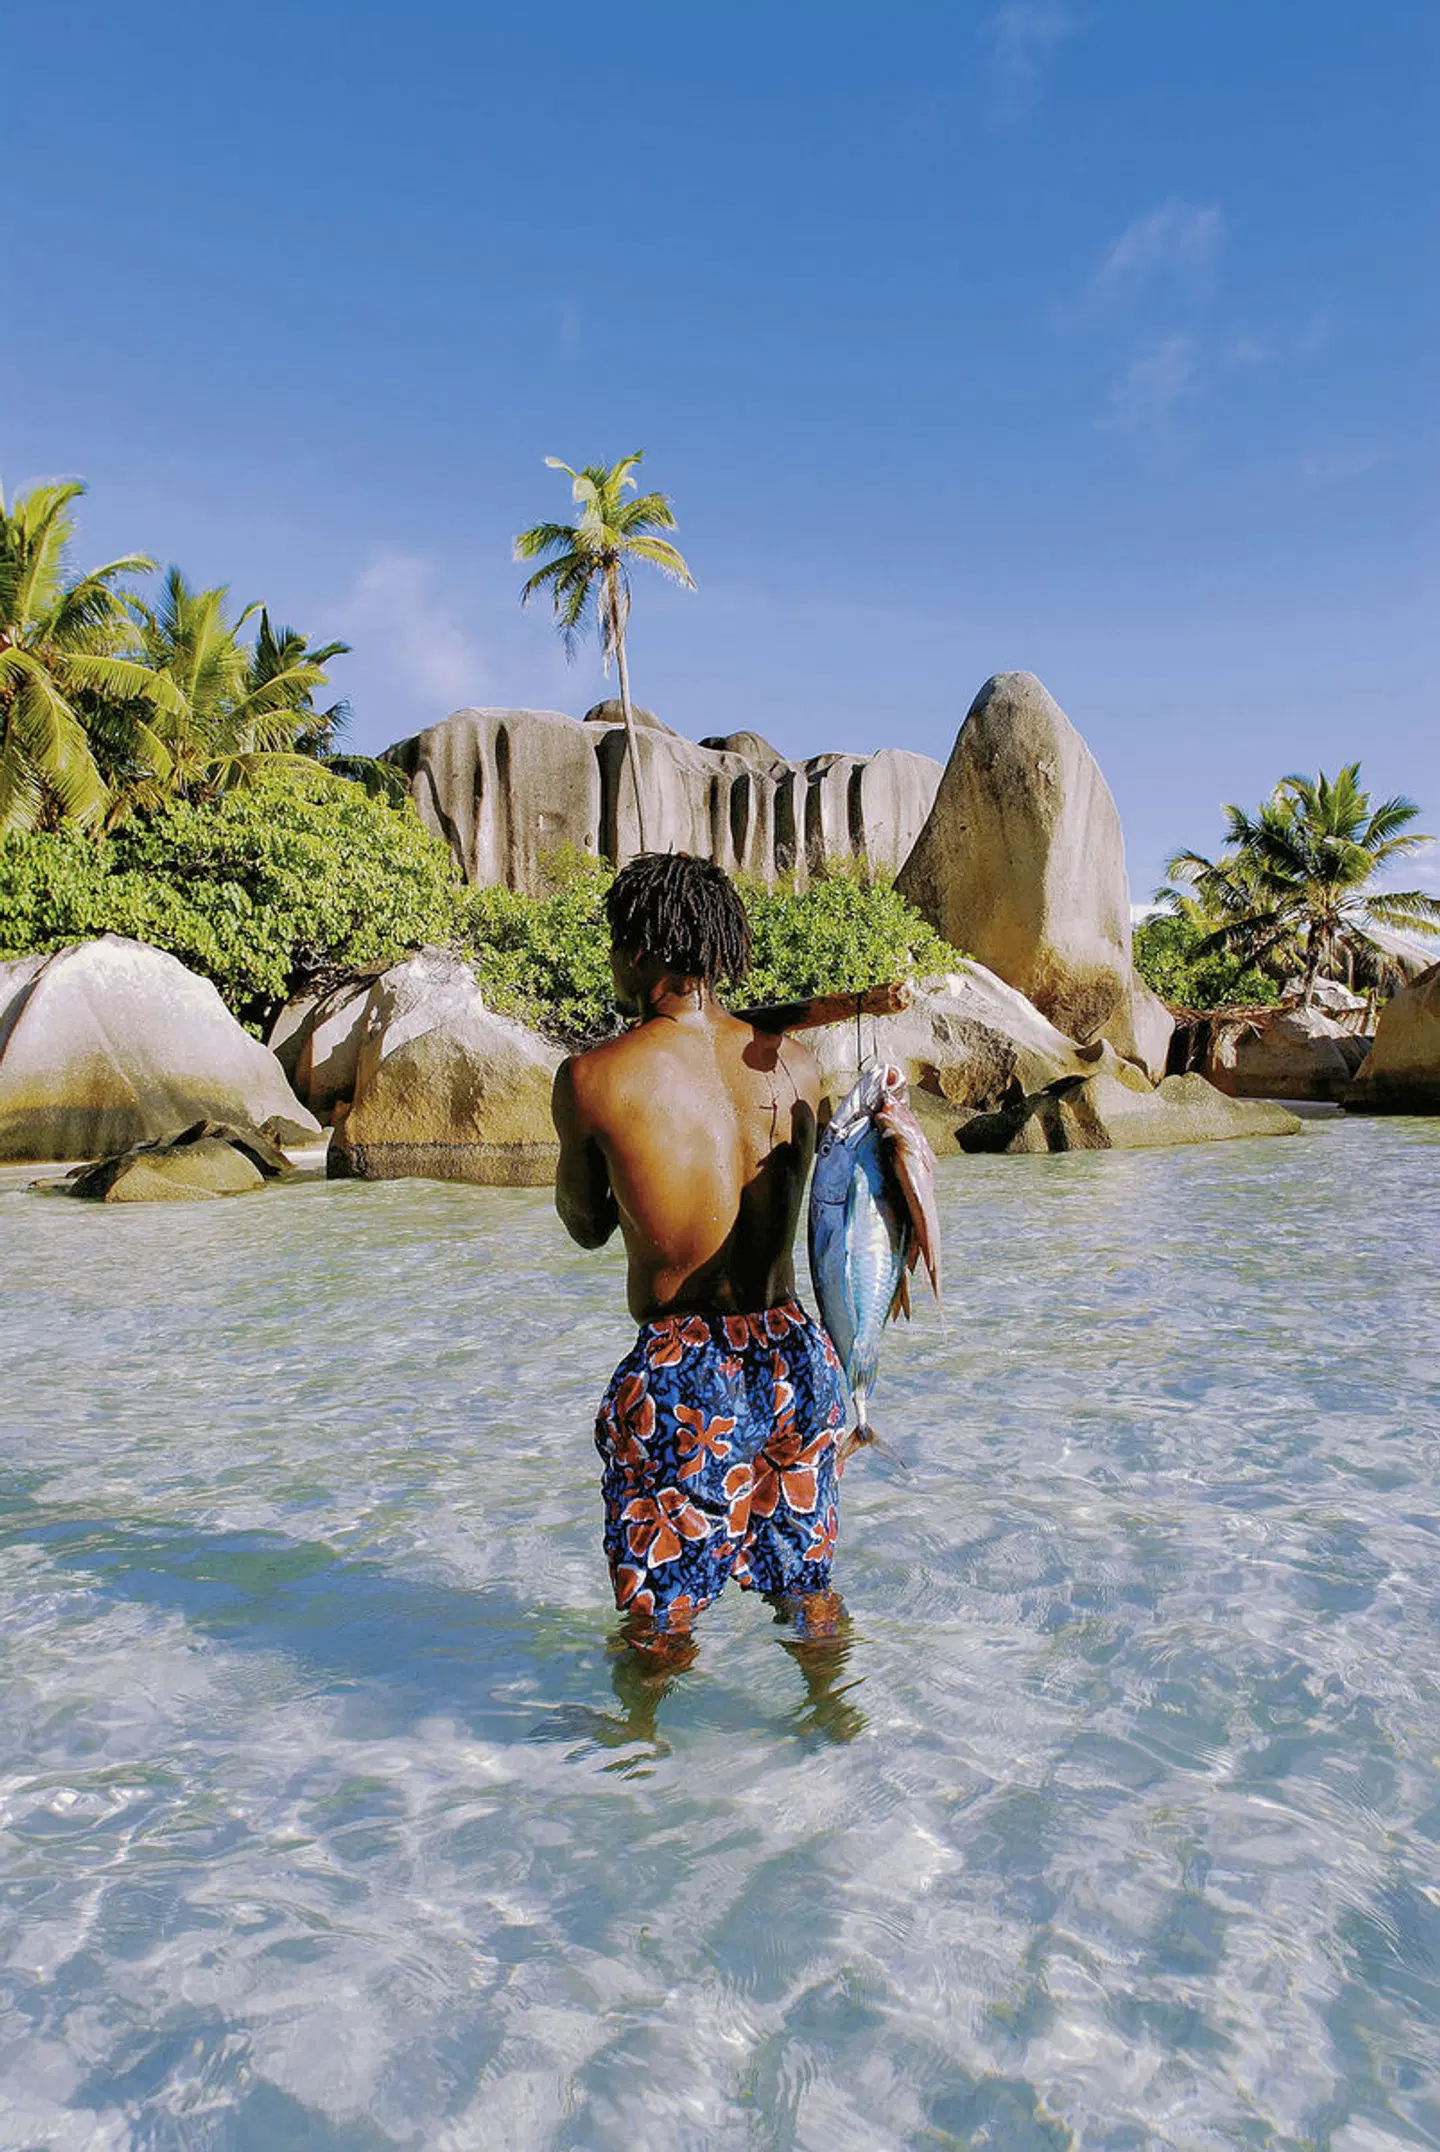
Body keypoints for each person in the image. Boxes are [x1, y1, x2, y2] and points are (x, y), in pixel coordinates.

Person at [551, 851, 851, 1682]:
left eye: (614, 948)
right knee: (807, 1589)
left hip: (686, 1374)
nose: (610, 966)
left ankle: (639, 1762)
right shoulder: (799, 1066)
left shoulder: (592, 1078)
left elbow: (584, 1227)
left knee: (661, 1611)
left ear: (642, 952)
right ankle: (835, 1717)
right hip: (797, 1355)